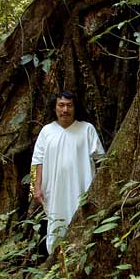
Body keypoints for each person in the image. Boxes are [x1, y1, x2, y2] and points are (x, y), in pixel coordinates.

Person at [32, 92, 104, 253]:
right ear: (55, 108)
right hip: (54, 190)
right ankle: (57, 261)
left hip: (82, 190)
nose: (65, 109)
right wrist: (37, 187)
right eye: (61, 105)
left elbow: (100, 160)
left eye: (69, 105)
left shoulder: (86, 129)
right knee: (56, 223)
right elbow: (39, 160)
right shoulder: (47, 131)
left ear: (75, 107)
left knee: (81, 223)